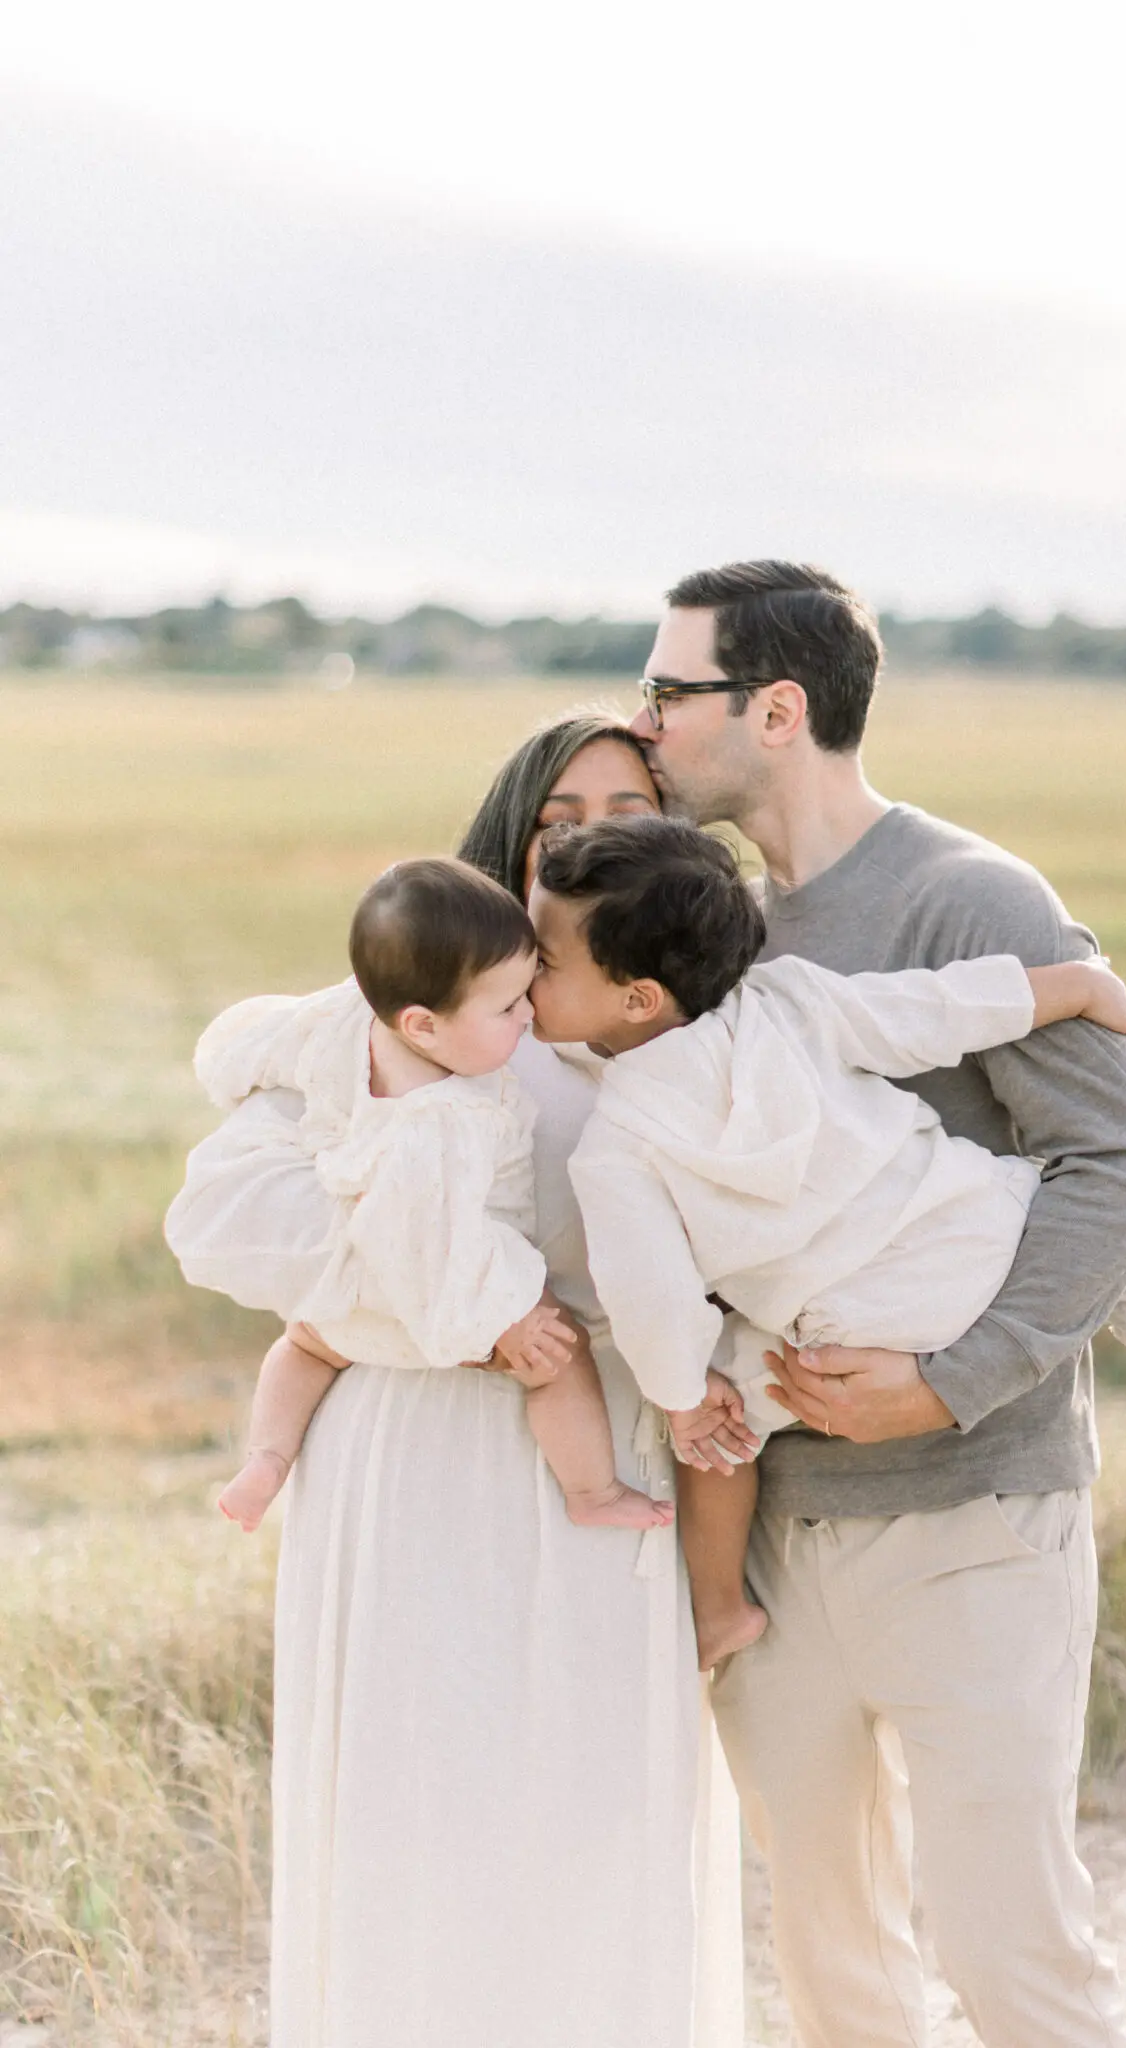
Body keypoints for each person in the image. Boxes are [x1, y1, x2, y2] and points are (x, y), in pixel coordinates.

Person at [621, 561, 1126, 2048]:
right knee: (830, 1964)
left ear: (775, 708)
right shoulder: (706, 930)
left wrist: (957, 1377)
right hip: (771, 1533)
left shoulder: (968, 897)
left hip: (977, 1515)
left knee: (1010, 1945)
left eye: (669, 690)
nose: (646, 722)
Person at [163, 713, 744, 2048]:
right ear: (514, 834)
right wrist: (474, 1318)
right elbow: (229, 1220)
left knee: (601, 1816)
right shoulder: (406, 1008)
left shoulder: (703, 1024)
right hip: (416, 1445)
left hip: (603, 1445)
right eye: (561, 815)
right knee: (419, 1805)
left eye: (629, 804)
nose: (592, 833)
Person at [528, 815, 1126, 1670]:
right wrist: (1071, 986)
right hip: (981, 1233)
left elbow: (649, 1296)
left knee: (728, 1428)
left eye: (544, 961)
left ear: (636, 999)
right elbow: (929, 1012)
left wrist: (685, 1394)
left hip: (843, 1329)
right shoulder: (788, 1001)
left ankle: (719, 1607)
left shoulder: (616, 1144)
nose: (527, 971)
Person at [178, 856, 670, 1536]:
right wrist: (503, 1318)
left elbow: (252, 1040)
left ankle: (266, 1458)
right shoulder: (445, 1121)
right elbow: (434, 1242)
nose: (526, 1014)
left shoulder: (343, 1022)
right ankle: (592, 1489)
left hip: (350, 1293)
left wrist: (229, 1067)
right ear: (423, 1026)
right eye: (505, 1007)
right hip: (446, 1285)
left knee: (305, 1347)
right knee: (560, 1356)